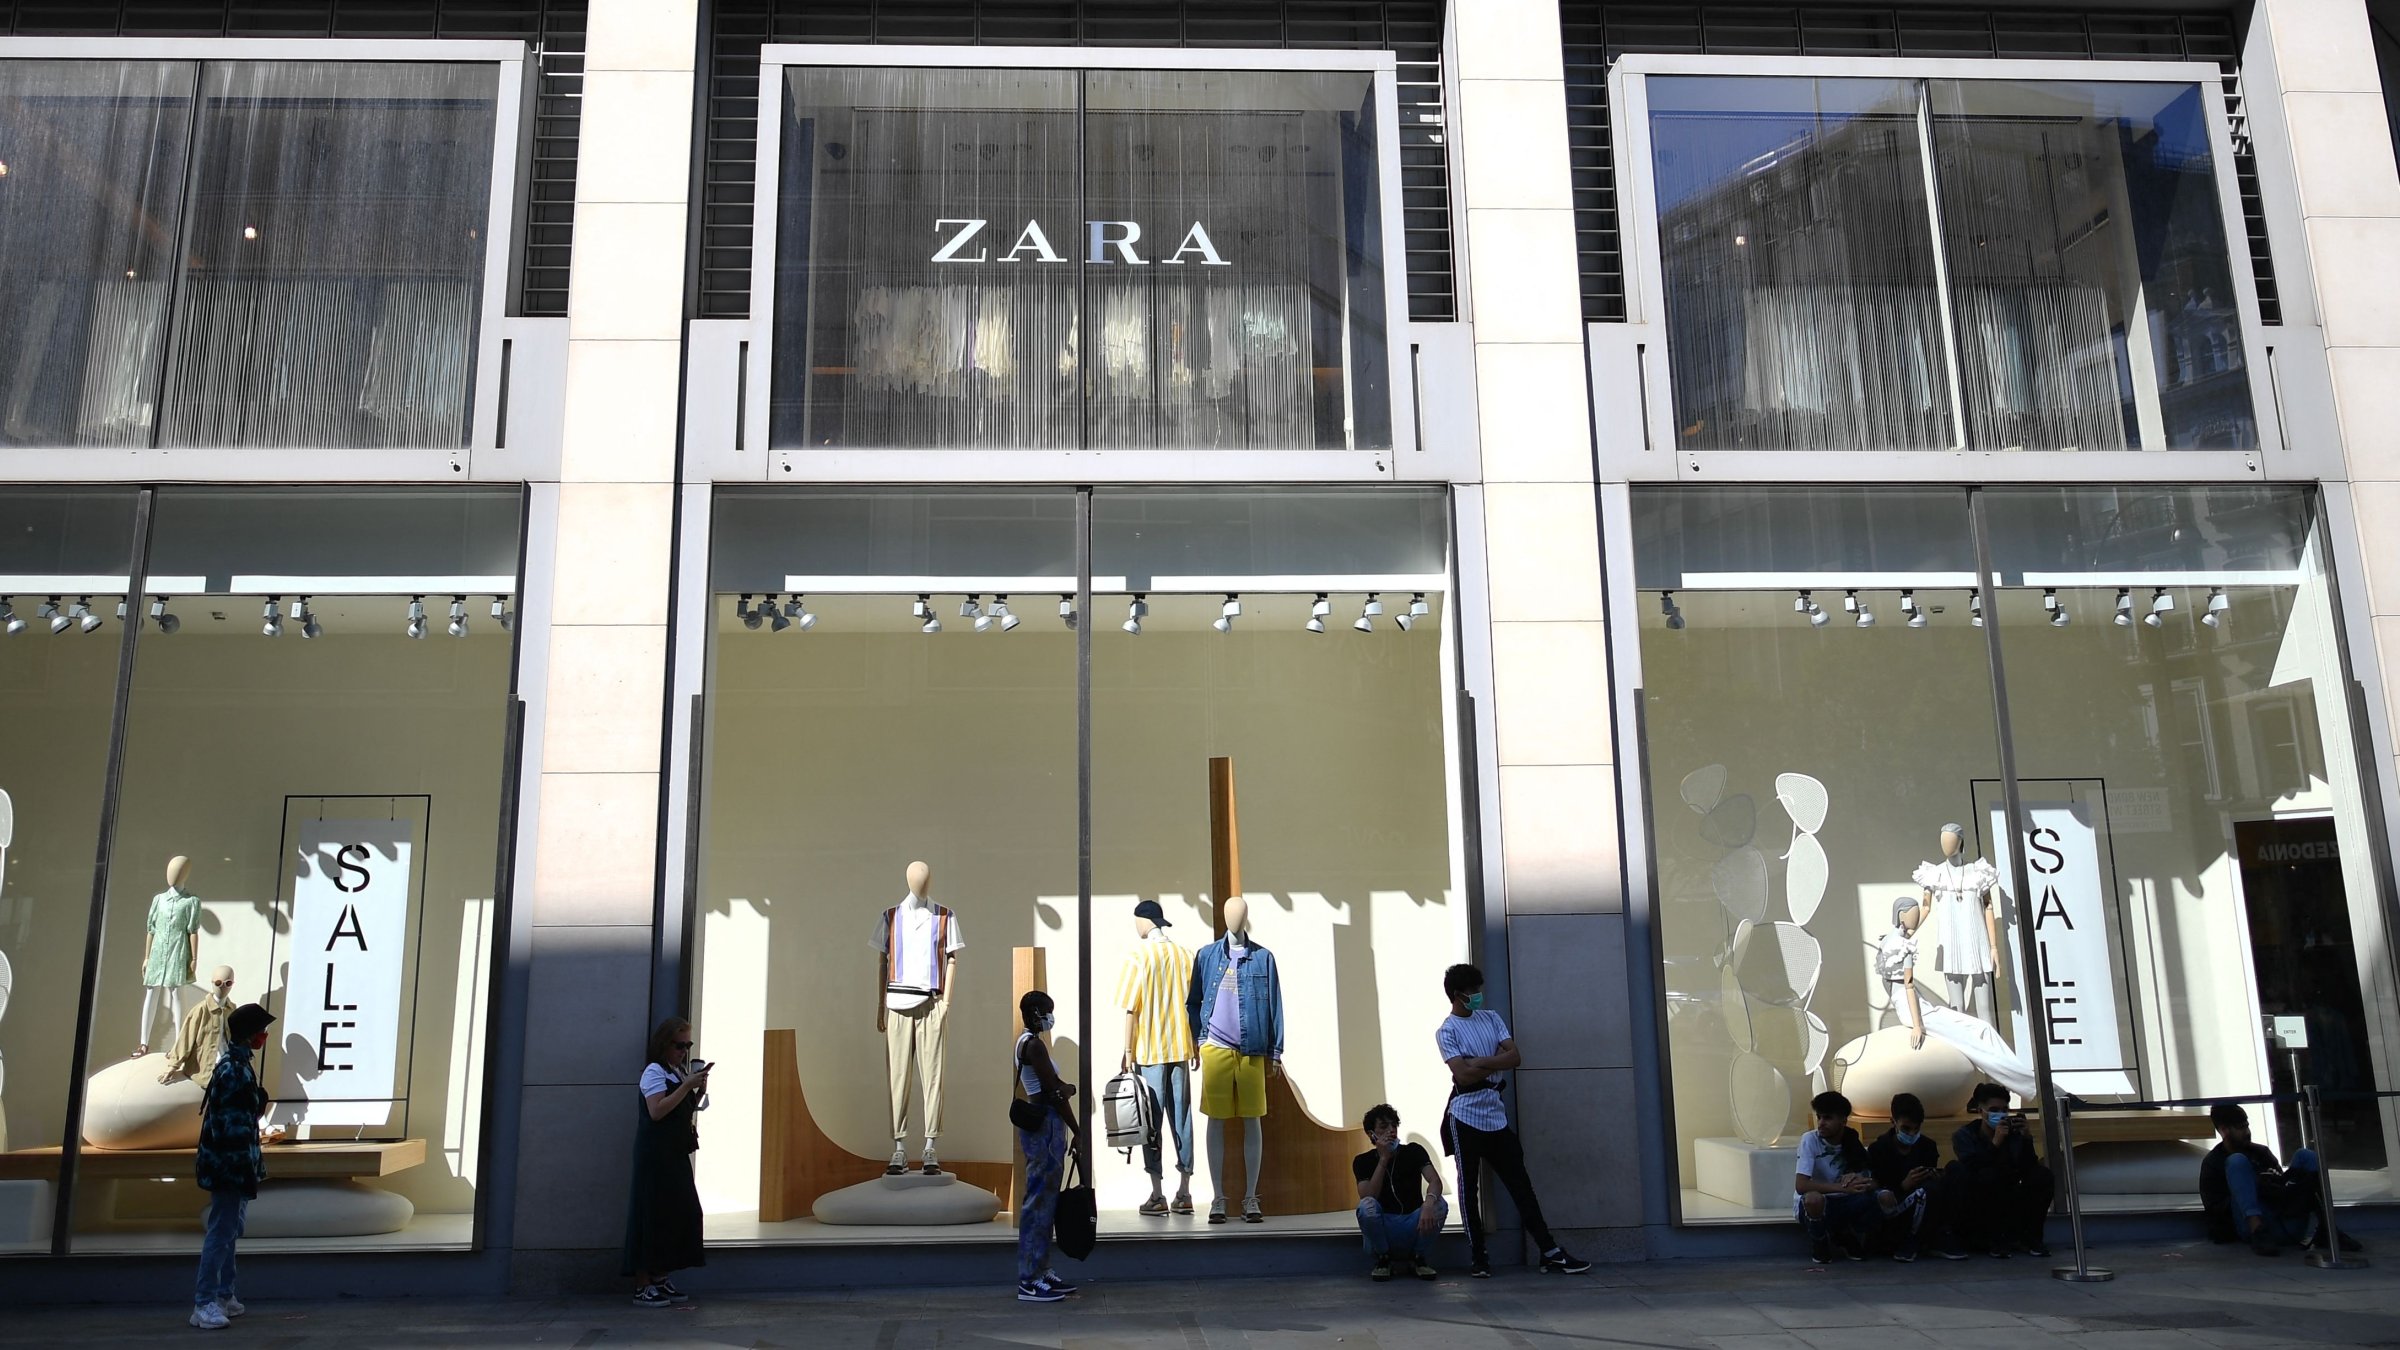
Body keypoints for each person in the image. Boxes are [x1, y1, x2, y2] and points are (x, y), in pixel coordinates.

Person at [1436, 964, 1589, 1278]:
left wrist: (1478, 1061)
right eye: (1473, 992)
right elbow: (1461, 1074)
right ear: (1458, 995)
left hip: (1495, 1115)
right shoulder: (1447, 1030)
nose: (1478, 996)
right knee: (1468, 1191)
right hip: (1464, 1116)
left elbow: (1515, 1057)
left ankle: (1550, 1252)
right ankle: (1479, 1257)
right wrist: (1492, 1062)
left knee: (1521, 1185)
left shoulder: (1491, 1018)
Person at [190, 1002, 273, 1331]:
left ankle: (224, 1294)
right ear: (251, 1035)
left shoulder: (237, 1065)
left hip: (235, 1164)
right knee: (221, 1232)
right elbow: (231, 1125)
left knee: (229, 1232)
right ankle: (204, 1302)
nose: (264, 1037)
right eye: (261, 1032)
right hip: (229, 1165)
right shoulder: (233, 1069)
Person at [1117, 899, 1196, 1216]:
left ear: (1142, 921)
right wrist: (1195, 1044)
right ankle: (1185, 1191)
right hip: (1180, 1047)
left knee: (1151, 1122)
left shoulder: (1138, 956)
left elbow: (1130, 1009)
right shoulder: (1185, 955)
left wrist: (1126, 1051)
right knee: (1183, 1118)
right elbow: (1194, 1005)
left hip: (1149, 1050)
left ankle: (1157, 1193)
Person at [2198, 1101, 2358, 1256]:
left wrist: (2274, 1184)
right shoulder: (2213, 1163)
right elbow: (2215, 1210)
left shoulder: (2261, 1152)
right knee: (2237, 1161)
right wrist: (2252, 1187)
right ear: (2224, 1130)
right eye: (2241, 1128)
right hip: (2247, 1225)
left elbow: (2282, 1188)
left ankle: (2327, 1227)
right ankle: (2258, 1230)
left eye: (2247, 1126)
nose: (2247, 1132)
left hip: (2283, 1219)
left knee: (2306, 1156)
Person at [624, 1017, 707, 1307]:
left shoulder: (676, 1072)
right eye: (679, 1045)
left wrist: (697, 1089)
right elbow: (657, 1110)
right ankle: (643, 1282)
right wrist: (686, 1087)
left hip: (674, 1152)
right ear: (664, 1045)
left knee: (681, 1212)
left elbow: (681, 1109)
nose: (684, 1051)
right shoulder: (654, 1072)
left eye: (688, 1045)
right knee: (651, 1214)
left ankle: (661, 1275)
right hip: (655, 1154)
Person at [1013, 991, 1083, 1304]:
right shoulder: (1033, 1045)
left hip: (1046, 1126)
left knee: (1046, 1204)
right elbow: (1055, 1091)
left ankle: (1042, 1271)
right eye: (1048, 1012)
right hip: (1045, 1127)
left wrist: (1063, 1089)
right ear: (1037, 1012)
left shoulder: (1027, 1043)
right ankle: (1029, 1279)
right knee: (1038, 1205)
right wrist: (1077, 1127)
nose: (1051, 1018)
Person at [1795, 1090, 1905, 1264]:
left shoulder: (1852, 1140)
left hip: (1847, 1202)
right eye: (1819, 1118)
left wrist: (1862, 1182)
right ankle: (1820, 1241)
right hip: (1820, 1203)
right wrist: (1842, 1187)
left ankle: (1881, 1241)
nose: (1821, 1123)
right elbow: (1801, 1185)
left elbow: (1874, 1179)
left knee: (1885, 1196)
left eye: (1828, 1118)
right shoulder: (1810, 1140)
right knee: (1813, 1199)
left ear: (1843, 1121)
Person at [1948, 1082, 2052, 1258]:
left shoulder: (2013, 1134)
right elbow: (1974, 1168)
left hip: (2011, 1189)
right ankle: (1990, 1239)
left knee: (2042, 1175)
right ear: (1981, 1111)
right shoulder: (1965, 1135)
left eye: (2004, 1109)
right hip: (1981, 1195)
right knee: (1981, 1174)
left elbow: (2028, 1166)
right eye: (1994, 1109)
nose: (2000, 1114)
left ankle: (2031, 1238)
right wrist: (1995, 1144)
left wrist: (2026, 1138)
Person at [1864, 1092, 1967, 1262]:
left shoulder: (1927, 1146)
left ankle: (1943, 1235)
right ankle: (1910, 1240)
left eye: (1916, 1129)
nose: (1911, 1134)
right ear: (1894, 1122)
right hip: (1895, 1205)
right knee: (1924, 1192)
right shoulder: (1879, 1149)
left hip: (1927, 1197)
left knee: (1954, 1172)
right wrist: (1904, 1184)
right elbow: (1879, 1186)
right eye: (1906, 1128)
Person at [1353, 1104, 1448, 1282]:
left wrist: (1428, 1204)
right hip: (1384, 1227)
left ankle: (1418, 1257)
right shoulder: (1362, 1161)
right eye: (1383, 1127)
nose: (1391, 1131)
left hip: (1412, 1222)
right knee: (1366, 1206)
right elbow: (1368, 1196)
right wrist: (1383, 1159)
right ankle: (1383, 1258)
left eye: (1394, 1126)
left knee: (1439, 1204)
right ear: (1371, 1134)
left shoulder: (1414, 1151)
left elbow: (1435, 1181)